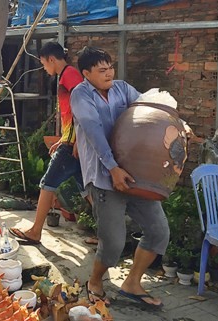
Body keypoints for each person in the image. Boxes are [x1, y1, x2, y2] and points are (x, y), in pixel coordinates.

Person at [70, 47, 168, 308]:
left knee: (158, 231)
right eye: (102, 70)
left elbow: (149, 110)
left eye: (110, 67)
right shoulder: (80, 95)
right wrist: (113, 168)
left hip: (136, 175)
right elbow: (93, 130)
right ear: (86, 73)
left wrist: (176, 125)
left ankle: (132, 283)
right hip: (104, 177)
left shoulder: (122, 88)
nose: (109, 72)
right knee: (113, 241)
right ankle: (95, 281)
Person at [8, 41, 84, 244]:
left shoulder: (70, 76)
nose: (44, 68)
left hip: (73, 145)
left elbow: (83, 108)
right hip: (70, 141)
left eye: (43, 63)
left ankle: (35, 231)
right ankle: (109, 236)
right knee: (89, 190)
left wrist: (77, 140)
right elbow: (71, 114)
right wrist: (63, 139)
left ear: (51, 59)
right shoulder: (66, 76)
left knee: (47, 184)